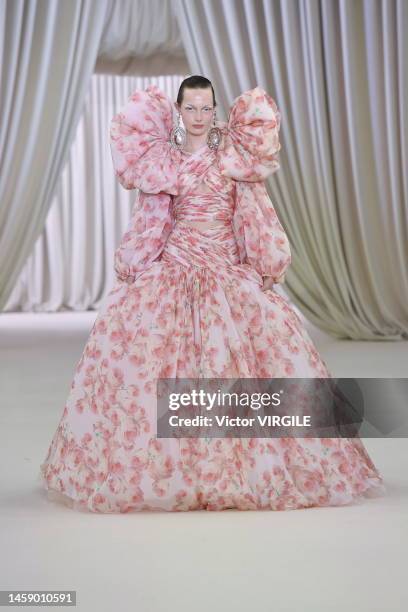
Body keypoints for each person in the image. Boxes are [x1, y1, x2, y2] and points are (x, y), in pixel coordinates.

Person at [38, 75, 386, 513]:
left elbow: (254, 216)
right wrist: (133, 266)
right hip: (175, 270)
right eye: (191, 109)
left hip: (225, 271)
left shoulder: (233, 161)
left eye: (207, 109)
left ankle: (240, 469)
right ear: (179, 111)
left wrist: (266, 263)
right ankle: (173, 472)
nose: (200, 117)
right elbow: (152, 222)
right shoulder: (164, 163)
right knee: (147, 369)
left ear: (216, 110)